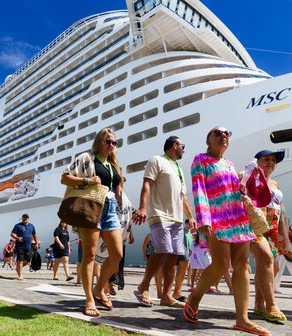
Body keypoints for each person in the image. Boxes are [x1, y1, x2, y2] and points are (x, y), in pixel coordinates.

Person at [185, 126, 270, 336]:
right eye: (217, 133)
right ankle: (193, 299)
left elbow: (236, 189)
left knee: (242, 265)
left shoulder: (230, 164)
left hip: (238, 217)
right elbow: (199, 189)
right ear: (208, 139)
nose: (223, 136)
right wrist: (203, 218)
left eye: (227, 133)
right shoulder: (201, 160)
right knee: (221, 264)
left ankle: (242, 319)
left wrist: (248, 178)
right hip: (216, 218)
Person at [61, 127, 124, 317]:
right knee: (89, 254)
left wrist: (120, 186)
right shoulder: (87, 158)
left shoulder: (113, 164)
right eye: (108, 141)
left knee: (117, 254)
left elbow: (116, 183)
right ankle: (89, 299)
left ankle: (98, 290)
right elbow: (65, 178)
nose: (111, 145)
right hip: (91, 206)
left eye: (114, 142)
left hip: (110, 208)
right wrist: (88, 180)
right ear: (99, 142)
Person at [132, 135, 197, 308]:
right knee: (162, 249)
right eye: (183, 146)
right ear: (175, 145)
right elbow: (147, 184)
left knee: (173, 255)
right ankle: (143, 287)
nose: (184, 150)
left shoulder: (178, 169)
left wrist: (190, 216)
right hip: (159, 214)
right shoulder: (157, 160)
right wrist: (142, 208)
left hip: (176, 219)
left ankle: (167, 295)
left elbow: (182, 197)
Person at [246, 150, 287, 323]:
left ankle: (259, 305)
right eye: (266, 159)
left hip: (272, 226)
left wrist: (285, 234)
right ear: (257, 161)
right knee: (266, 258)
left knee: (265, 264)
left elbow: (281, 210)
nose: (270, 162)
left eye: (273, 160)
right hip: (253, 225)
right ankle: (272, 306)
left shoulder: (275, 184)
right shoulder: (248, 177)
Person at [11, 213, 40, 280]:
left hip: (28, 246)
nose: (25, 219)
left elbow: (34, 234)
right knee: (20, 260)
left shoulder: (31, 226)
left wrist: (36, 243)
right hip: (20, 246)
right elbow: (12, 234)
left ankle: (18, 268)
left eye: (26, 218)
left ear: (28, 219)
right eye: (24, 217)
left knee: (28, 260)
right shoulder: (17, 225)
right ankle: (20, 275)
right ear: (22, 218)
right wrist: (17, 238)